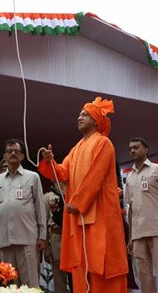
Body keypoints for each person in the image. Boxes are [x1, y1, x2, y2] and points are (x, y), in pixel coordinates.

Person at [39, 96, 128, 293]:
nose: (79, 117)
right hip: (79, 217)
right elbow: (62, 173)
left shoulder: (103, 143)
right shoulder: (76, 148)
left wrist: (78, 203)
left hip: (99, 216)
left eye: (84, 115)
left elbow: (95, 176)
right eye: (79, 114)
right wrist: (49, 162)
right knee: (82, 264)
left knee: (102, 262)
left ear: (96, 120)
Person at [0, 138, 46, 288]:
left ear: (22, 156)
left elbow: (40, 207)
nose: (13, 154)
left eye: (16, 151)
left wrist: (42, 236)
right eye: (9, 151)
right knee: (9, 284)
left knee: (30, 284)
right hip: (5, 240)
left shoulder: (32, 177)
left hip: (27, 238)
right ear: (4, 156)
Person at [125, 136, 158, 293]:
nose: (132, 150)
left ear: (146, 150)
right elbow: (130, 208)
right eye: (131, 148)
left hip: (156, 229)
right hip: (137, 233)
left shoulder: (155, 170)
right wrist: (131, 236)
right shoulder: (129, 177)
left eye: (136, 147)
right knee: (143, 274)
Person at [44, 180, 71, 293]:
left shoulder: (73, 192)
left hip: (72, 238)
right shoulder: (48, 197)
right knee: (59, 276)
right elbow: (43, 222)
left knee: (75, 275)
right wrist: (46, 247)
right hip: (56, 237)